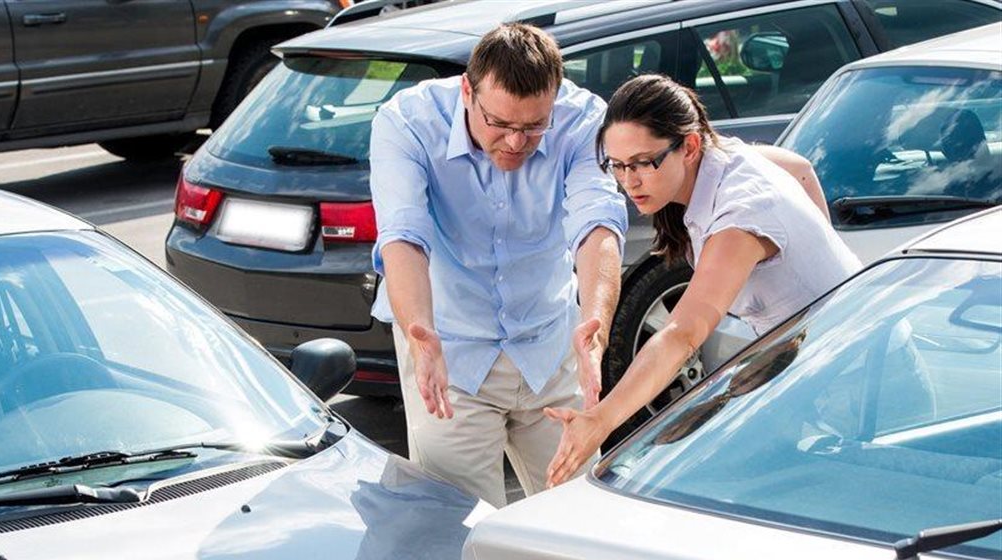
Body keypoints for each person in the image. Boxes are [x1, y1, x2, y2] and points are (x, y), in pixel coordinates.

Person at [544, 73, 862, 486]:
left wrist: (600, 420)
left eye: (643, 163)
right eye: (617, 165)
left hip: (858, 384)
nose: (629, 181)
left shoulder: (741, 213)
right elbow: (799, 169)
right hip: (810, 365)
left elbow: (682, 333)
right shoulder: (723, 156)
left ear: (689, 146)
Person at [369, 23, 628, 508]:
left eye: (533, 127)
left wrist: (595, 329)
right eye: (500, 124)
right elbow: (403, 234)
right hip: (448, 356)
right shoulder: (406, 121)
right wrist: (419, 331)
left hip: (550, 347)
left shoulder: (584, 119)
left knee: (578, 518)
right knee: (460, 537)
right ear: (468, 90)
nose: (515, 142)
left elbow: (598, 223)